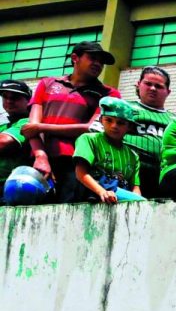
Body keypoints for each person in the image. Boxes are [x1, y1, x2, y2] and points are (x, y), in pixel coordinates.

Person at [24, 41, 120, 200]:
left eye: (101, 61)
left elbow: (93, 128)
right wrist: (40, 156)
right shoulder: (47, 84)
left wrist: (42, 127)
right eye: (92, 58)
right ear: (75, 58)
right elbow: (31, 127)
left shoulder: (109, 94)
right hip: (39, 162)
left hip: (78, 164)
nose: (98, 63)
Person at [69, 99, 146, 204]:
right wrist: (102, 192)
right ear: (101, 120)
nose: (114, 126)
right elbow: (80, 173)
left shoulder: (133, 156)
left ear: (130, 126)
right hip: (92, 194)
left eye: (121, 123)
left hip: (120, 199)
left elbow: (135, 188)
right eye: (109, 120)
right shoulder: (88, 139)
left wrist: (138, 204)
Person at [114, 66, 174, 194]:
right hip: (126, 171)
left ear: (168, 92)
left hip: (163, 175)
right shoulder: (123, 108)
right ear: (138, 85)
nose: (153, 88)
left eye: (159, 86)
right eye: (148, 84)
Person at [1, 79, 52, 205]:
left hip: (13, 187)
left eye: (15, 97)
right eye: (5, 97)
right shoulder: (3, 127)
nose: (9, 101)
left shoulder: (27, 122)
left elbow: (3, 142)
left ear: (28, 100)